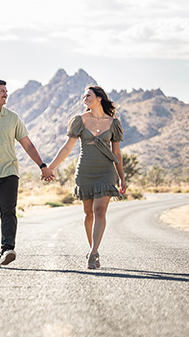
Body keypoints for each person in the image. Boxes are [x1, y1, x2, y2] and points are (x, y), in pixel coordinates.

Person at [0, 79, 54, 268]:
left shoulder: (12, 118)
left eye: (7, 90)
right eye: (2, 91)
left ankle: (7, 249)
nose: (6, 94)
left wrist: (42, 165)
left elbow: (27, 144)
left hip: (9, 173)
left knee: (8, 212)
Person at [47, 85, 126, 270]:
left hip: (106, 171)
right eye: (84, 96)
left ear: (99, 98)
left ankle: (93, 252)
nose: (85, 98)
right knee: (88, 213)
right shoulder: (79, 121)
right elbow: (67, 148)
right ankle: (94, 249)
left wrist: (122, 177)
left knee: (100, 210)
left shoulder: (113, 123)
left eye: (88, 95)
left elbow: (117, 153)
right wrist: (50, 168)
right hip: (85, 171)